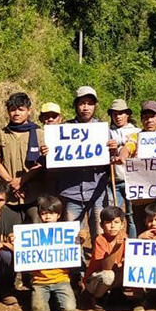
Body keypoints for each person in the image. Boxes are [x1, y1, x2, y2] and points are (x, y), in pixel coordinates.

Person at [55, 86, 110, 237]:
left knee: (100, 235)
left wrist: (113, 150)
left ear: (95, 106)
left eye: (89, 103)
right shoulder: (63, 130)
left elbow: (112, 159)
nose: (86, 107)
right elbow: (54, 157)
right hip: (71, 192)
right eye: (82, 103)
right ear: (76, 105)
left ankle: (97, 261)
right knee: (72, 237)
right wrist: (49, 150)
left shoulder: (103, 130)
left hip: (97, 192)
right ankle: (78, 262)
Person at [0, 92, 44, 220]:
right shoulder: (0, 135)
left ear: (29, 111)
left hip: (35, 195)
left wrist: (21, 180)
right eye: (12, 110)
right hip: (9, 196)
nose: (16, 113)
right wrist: (11, 182)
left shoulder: (40, 134)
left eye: (21, 109)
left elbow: (41, 163)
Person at [28, 195, 78, 311]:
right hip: (40, 281)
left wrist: (81, 237)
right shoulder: (32, 234)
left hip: (61, 280)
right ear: (40, 215)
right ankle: (45, 297)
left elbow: (74, 246)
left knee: (69, 310)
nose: (47, 217)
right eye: (44, 213)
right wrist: (15, 240)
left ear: (58, 215)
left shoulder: (66, 232)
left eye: (51, 213)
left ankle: (57, 298)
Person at [117, 100, 156, 229]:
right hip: (142, 196)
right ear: (141, 119)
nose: (149, 120)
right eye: (145, 117)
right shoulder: (135, 137)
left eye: (152, 116)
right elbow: (127, 148)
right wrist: (123, 157)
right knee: (142, 228)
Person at [81, 206, 128, 311]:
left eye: (116, 222)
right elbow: (107, 267)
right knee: (108, 275)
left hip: (115, 274)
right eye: (108, 222)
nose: (112, 226)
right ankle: (95, 297)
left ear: (122, 225)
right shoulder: (100, 240)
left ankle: (116, 292)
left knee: (127, 269)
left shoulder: (124, 237)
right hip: (96, 278)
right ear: (102, 225)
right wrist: (115, 248)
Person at [107, 99, 139, 238]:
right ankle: (116, 248)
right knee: (113, 216)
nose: (118, 116)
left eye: (121, 113)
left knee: (131, 216)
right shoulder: (106, 132)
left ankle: (131, 246)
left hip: (132, 181)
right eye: (115, 114)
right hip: (113, 180)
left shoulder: (137, 132)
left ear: (127, 115)